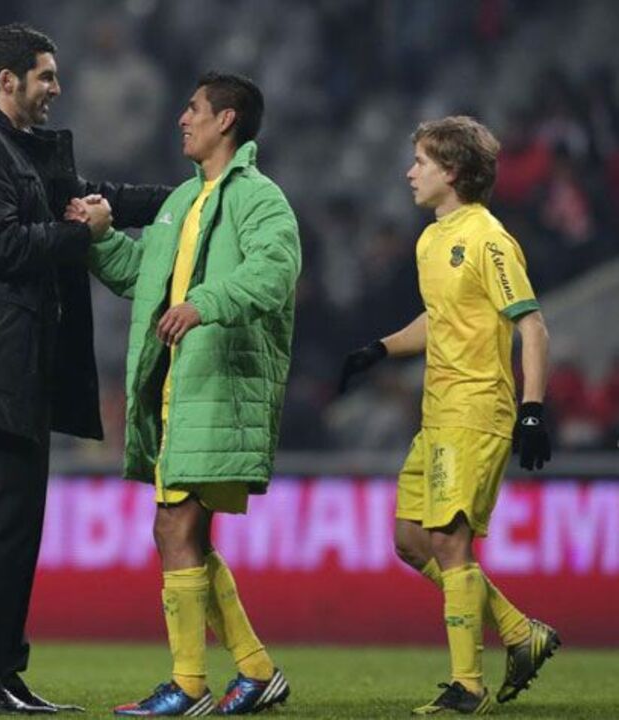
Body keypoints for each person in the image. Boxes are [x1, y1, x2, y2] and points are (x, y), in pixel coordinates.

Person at [0, 23, 170, 715]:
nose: (57, 87)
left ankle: (1, 673)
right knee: (10, 521)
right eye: (46, 76)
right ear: (7, 81)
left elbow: (93, 196)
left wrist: (187, 196)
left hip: (16, 358)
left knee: (19, 522)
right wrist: (88, 232)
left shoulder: (16, 149)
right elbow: (3, 247)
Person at [70, 72, 300, 716]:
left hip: (224, 389)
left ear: (227, 120)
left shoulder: (260, 199)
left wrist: (204, 302)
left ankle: (190, 686)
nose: (181, 118)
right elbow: (144, 278)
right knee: (187, 535)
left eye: (193, 108)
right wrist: (99, 238)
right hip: (183, 388)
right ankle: (254, 672)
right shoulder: (182, 201)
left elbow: (274, 273)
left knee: (173, 526)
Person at [338, 116, 559, 715]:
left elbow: (531, 325)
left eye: (421, 162)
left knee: (448, 538)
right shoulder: (431, 239)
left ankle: (468, 685)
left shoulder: (488, 237)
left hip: (478, 405)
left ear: (452, 172)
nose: (410, 171)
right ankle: (518, 632)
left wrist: (532, 410)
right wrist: (380, 349)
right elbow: (441, 319)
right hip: (436, 411)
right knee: (411, 541)